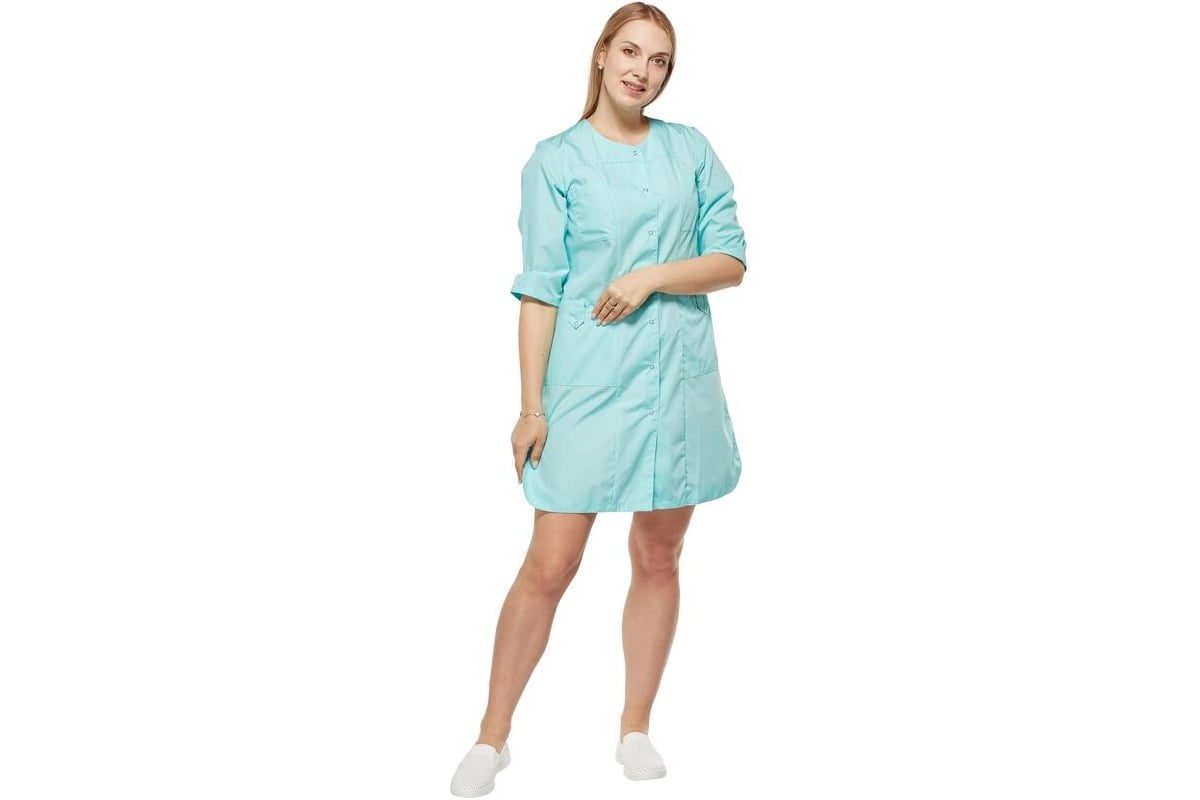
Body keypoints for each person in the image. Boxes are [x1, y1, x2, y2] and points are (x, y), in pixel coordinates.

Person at [450, 3, 747, 795]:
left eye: (659, 60)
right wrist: (530, 408)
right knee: (550, 563)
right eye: (631, 52)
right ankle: (491, 737)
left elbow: (730, 260)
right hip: (586, 383)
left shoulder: (691, 150)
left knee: (659, 555)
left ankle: (635, 726)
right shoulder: (555, 161)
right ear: (601, 54)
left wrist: (652, 276)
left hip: (676, 381)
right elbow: (539, 291)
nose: (642, 71)